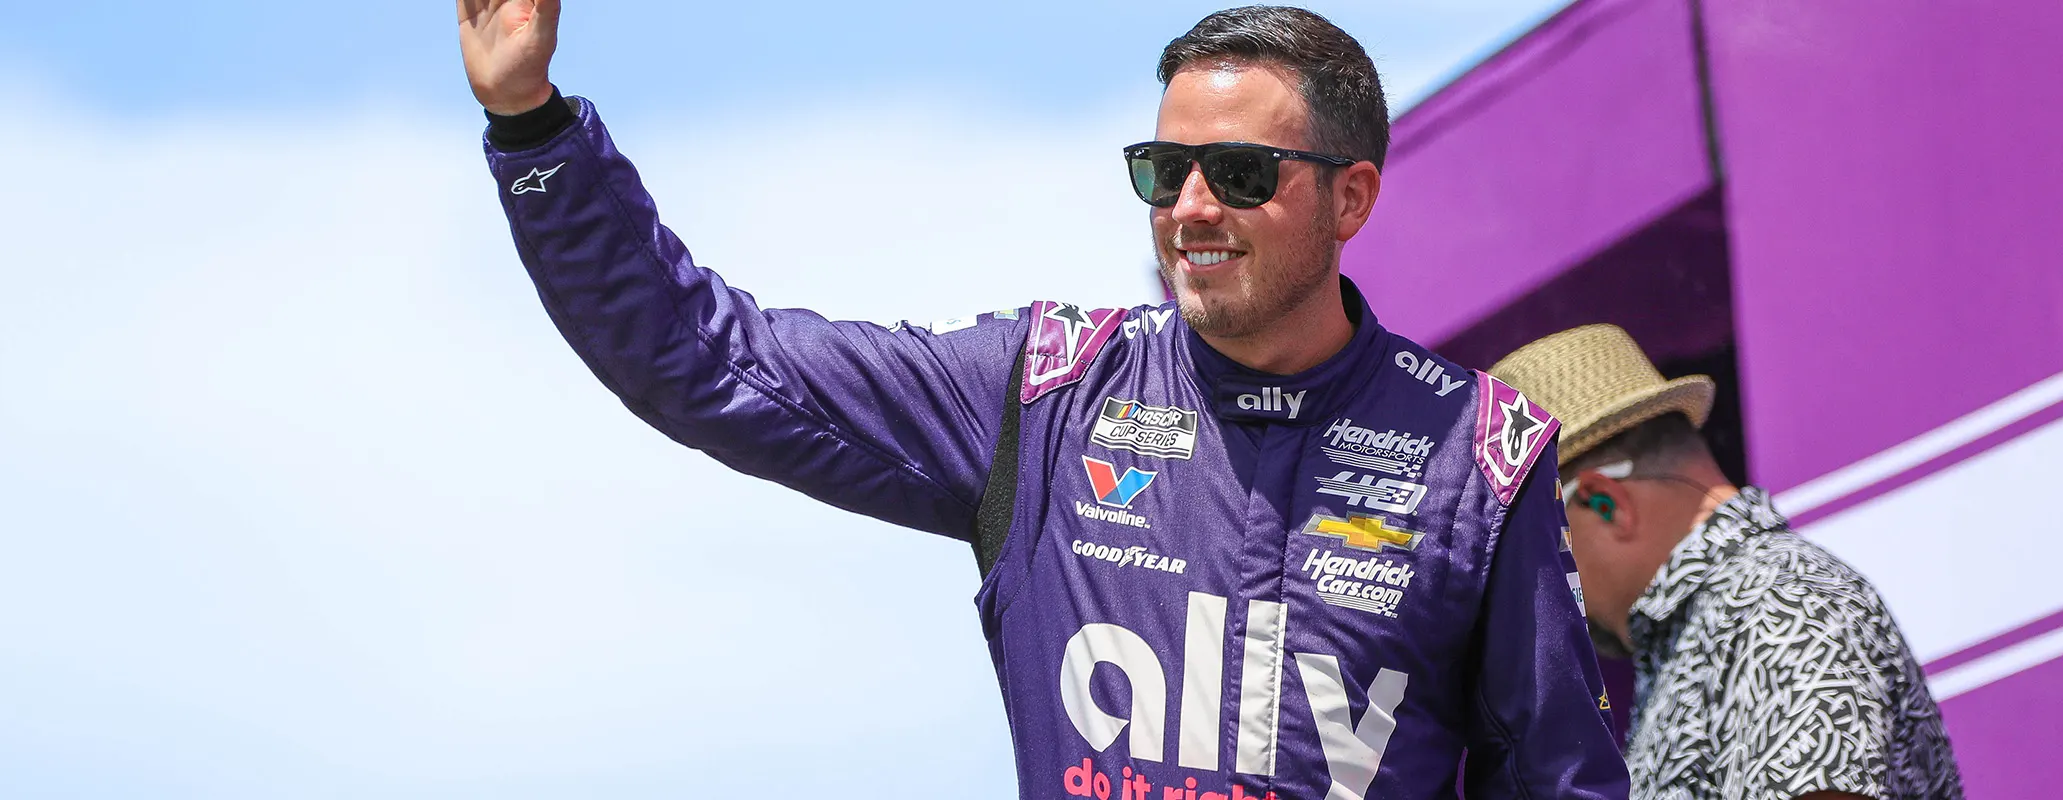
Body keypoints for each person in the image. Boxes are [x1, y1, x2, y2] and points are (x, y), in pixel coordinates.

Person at [453, 2, 1629, 798]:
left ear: (1352, 198)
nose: (1192, 208)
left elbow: (1561, 780)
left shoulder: (1479, 453)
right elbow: (706, 360)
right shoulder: (1048, 392)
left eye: (1240, 173)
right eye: (1164, 171)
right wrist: (532, 124)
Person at [1490, 324, 1963, 800]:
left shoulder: (1781, 603)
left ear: (1604, 502)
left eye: (1532, 550)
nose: (1532, 588)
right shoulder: (1715, 625)